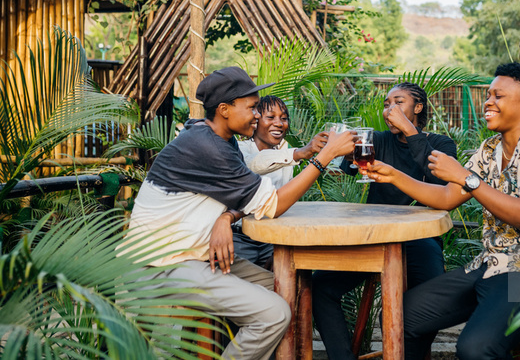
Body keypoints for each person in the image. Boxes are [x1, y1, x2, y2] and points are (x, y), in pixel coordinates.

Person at [125, 66, 355, 360]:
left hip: (195, 255)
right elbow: (273, 204)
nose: (257, 115)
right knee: (275, 313)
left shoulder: (216, 138)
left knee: (287, 287)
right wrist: (324, 157)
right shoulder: (207, 147)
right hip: (163, 265)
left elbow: (244, 191)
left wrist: (224, 218)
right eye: (252, 108)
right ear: (224, 109)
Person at [367, 62, 520, 360]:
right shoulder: (489, 148)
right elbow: (447, 197)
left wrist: (467, 177)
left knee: (476, 348)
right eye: (488, 95)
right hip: (492, 263)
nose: (488, 102)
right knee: (403, 315)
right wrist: (393, 175)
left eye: (498, 96)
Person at [312, 81, 458, 360]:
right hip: (374, 237)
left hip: (419, 238)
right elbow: (350, 168)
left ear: (418, 107)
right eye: (386, 104)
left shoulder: (440, 143)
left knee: (430, 303)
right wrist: (338, 149)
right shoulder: (375, 140)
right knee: (321, 287)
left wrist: (409, 131)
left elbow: (441, 182)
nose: (389, 109)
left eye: (398, 102)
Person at [235, 95, 328, 267]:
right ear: (255, 121)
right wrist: (300, 153)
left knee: (291, 276)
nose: (279, 123)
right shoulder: (240, 149)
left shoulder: (285, 153)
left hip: (273, 238)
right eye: (270, 117)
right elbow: (253, 163)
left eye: (284, 118)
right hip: (241, 238)